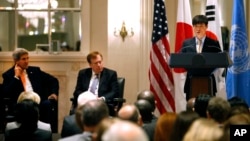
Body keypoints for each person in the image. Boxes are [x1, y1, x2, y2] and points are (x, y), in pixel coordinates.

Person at [2, 48, 59, 127]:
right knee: (26, 108)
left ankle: (46, 130)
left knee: (47, 104)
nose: (26, 61)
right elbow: (6, 92)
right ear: (16, 61)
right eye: (23, 59)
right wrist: (16, 77)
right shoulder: (8, 75)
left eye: (27, 58)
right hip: (21, 103)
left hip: (37, 102)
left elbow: (53, 80)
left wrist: (54, 93)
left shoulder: (35, 71)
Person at [180, 15, 222, 100]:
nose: (198, 29)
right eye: (195, 26)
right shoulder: (186, 44)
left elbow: (220, 60)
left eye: (201, 26)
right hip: (191, 81)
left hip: (208, 81)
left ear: (206, 26)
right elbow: (182, 60)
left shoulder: (214, 44)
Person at [73, 51, 119, 116]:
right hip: (85, 104)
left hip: (101, 105)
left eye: (100, 62)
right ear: (90, 65)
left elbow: (114, 92)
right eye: (96, 63)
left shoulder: (111, 74)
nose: (99, 65)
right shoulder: (83, 73)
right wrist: (86, 98)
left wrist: (102, 99)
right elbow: (77, 91)